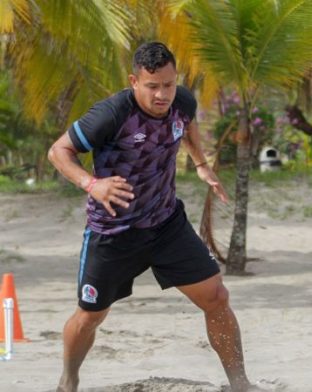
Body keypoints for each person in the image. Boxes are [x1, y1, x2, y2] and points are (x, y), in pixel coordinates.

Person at [48, 42, 260, 391]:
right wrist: (92, 184)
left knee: (217, 297)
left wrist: (201, 164)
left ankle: (240, 383)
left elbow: (186, 124)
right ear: (134, 81)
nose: (163, 94)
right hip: (113, 232)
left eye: (169, 84)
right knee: (90, 316)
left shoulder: (182, 101)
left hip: (165, 224)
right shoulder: (112, 113)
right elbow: (59, 151)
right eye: (153, 86)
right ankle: (68, 380)